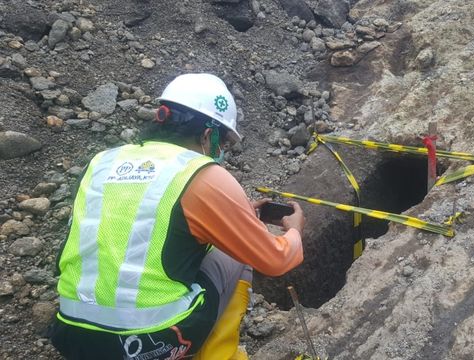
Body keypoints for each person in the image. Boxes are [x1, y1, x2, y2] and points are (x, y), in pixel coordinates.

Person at [50, 73, 305, 359]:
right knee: (238, 256)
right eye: (223, 144)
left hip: (72, 333)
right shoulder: (201, 173)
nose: (221, 152)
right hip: (148, 342)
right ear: (208, 135)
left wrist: (230, 218)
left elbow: (143, 228)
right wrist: (293, 231)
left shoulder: (102, 161)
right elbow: (275, 260)